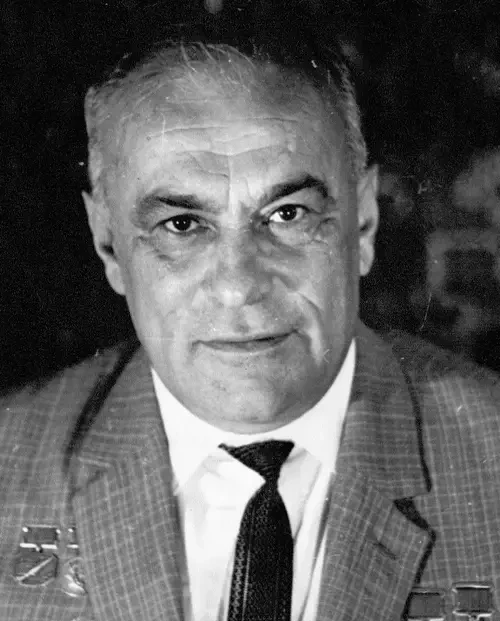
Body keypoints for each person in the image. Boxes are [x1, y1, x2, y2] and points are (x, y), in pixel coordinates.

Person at [1, 5, 500, 621]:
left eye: (288, 214)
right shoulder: (9, 466)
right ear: (108, 243)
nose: (239, 287)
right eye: (182, 225)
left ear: (363, 223)